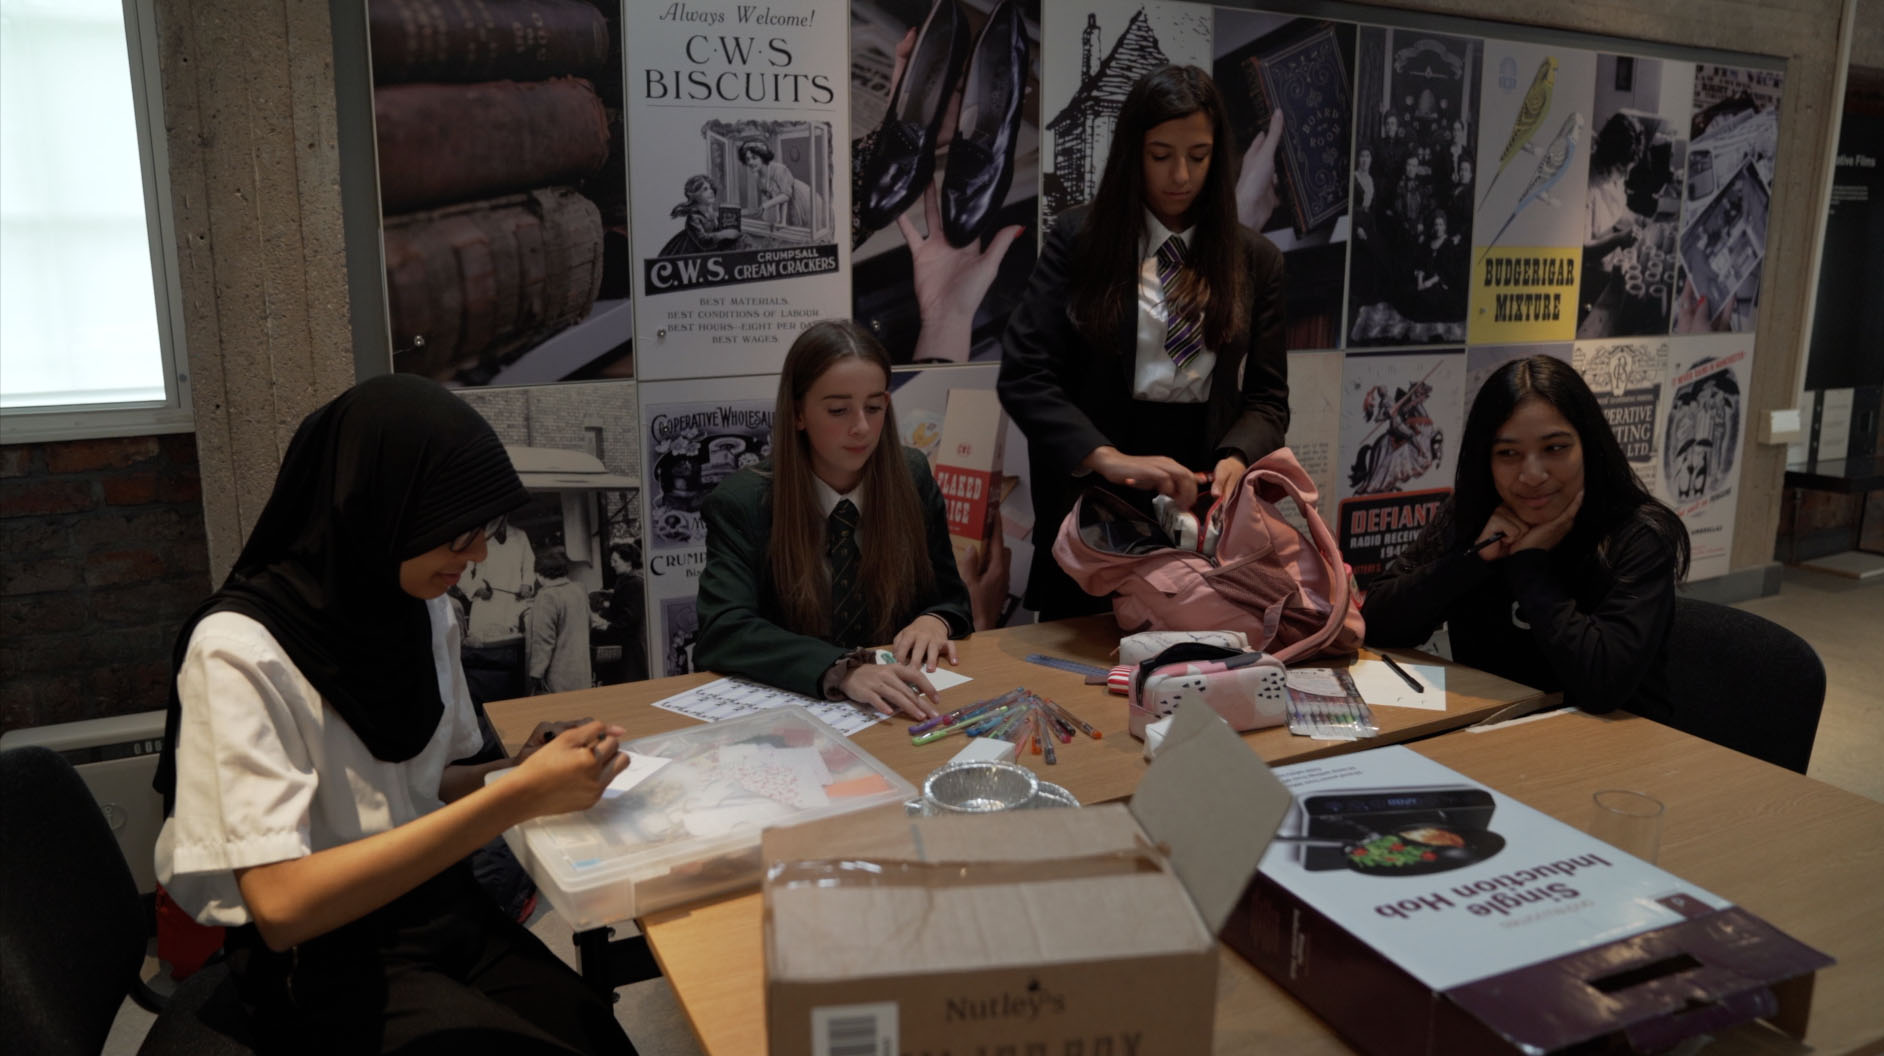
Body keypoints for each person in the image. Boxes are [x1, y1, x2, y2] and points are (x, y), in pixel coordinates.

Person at [151, 374, 637, 1055]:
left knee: (595, 1034)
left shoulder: (419, 609)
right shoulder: (239, 652)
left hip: (439, 910)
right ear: (377, 512)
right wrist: (513, 800)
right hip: (323, 957)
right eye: (458, 536)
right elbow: (282, 905)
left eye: (486, 532)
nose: (477, 557)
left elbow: (424, 782)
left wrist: (519, 771)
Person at [998, 64, 1289, 618]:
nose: (1180, 175)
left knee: (1193, 672)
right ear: (1133, 152)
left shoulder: (1256, 260)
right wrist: (1105, 458)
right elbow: (1025, 373)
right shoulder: (1080, 242)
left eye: (1198, 156)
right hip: (1097, 493)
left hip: (1200, 496)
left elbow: (1268, 399)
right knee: (1083, 674)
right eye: (1160, 155)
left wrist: (1236, 456)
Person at [1361, 356, 1690, 715]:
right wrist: (1474, 559)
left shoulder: (1638, 534)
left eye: (1555, 448)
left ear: (1589, 447)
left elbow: (1602, 686)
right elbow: (1375, 623)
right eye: (1509, 453)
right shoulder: (1473, 514)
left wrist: (1530, 564)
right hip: (1495, 734)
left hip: (1614, 752)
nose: (1532, 474)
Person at [694, 319, 972, 718]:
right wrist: (841, 670)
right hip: (798, 713)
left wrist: (935, 620)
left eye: (874, 407)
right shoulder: (742, 502)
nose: (861, 427)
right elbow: (725, 631)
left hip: (901, 707)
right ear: (798, 414)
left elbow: (951, 598)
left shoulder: (911, 477)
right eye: (839, 410)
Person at [527, 546, 593, 694]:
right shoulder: (579, 590)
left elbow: (543, 640)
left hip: (558, 674)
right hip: (582, 670)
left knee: (560, 715)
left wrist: (536, 673)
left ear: (539, 574)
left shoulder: (546, 596)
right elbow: (589, 623)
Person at [660, 174, 746, 256]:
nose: (711, 191)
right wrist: (723, 234)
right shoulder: (694, 217)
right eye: (705, 189)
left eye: (710, 188)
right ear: (695, 195)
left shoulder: (714, 214)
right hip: (693, 252)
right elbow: (703, 241)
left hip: (711, 251)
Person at [739, 140, 813, 228]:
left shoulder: (779, 170)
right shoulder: (758, 177)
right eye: (747, 159)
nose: (750, 162)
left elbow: (786, 195)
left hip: (799, 198)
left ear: (763, 157)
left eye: (754, 158)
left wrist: (764, 206)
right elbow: (777, 197)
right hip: (786, 203)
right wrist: (781, 221)